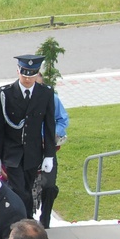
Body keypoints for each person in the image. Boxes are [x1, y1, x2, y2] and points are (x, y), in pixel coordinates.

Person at [0, 55, 56, 218]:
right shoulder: (5, 93)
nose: (28, 79)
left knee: (27, 188)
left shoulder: (45, 93)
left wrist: (49, 155)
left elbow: (49, 125)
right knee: (19, 190)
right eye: (24, 75)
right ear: (18, 71)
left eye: (32, 75)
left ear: (37, 74)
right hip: (12, 152)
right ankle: (25, 221)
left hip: (33, 152)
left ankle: (23, 222)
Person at [37, 72, 69, 229]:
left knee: (49, 186)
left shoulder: (52, 99)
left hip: (46, 149)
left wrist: (53, 134)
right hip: (25, 150)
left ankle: (45, 220)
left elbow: (62, 120)